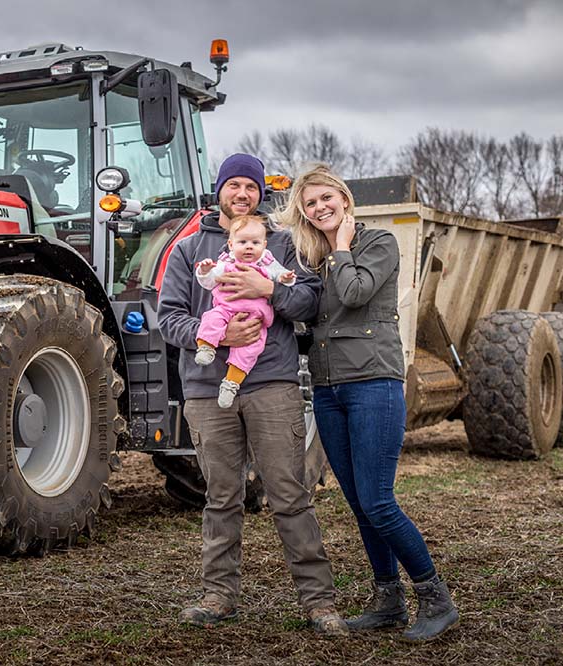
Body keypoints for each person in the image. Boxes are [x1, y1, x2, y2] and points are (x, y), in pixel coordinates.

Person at [158, 154, 347, 635]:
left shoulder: (282, 244)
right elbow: (169, 318)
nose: (242, 193)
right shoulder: (188, 251)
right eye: (233, 185)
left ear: (261, 193)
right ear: (219, 190)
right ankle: (219, 595)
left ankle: (319, 602)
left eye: (250, 187)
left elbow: (310, 300)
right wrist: (218, 336)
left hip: (271, 385)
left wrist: (270, 288)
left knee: (289, 493)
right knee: (221, 496)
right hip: (207, 389)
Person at [279, 163, 459, 641]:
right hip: (328, 388)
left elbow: (356, 294)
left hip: (373, 384)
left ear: (343, 198)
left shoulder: (377, 243)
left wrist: (339, 246)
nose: (319, 208)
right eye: (310, 204)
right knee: (359, 503)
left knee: (379, 501)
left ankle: (436, 597)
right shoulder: (312, 261)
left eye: (325, 199)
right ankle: (388, 600)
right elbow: (309, 322)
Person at [194, 214, 296, 408]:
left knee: (250, 350)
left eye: (255, 242)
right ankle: (206, 346)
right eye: (243, 242)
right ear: (231, 245)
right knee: (211, 318)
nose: (249, 246)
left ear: (264, 245)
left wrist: (286, 278)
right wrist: (205, 271)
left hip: (255, 319)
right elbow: (208, 283)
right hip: (226, 309)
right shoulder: (225, 264)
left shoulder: (267, 263)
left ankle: (231, 383)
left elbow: (281, 276)